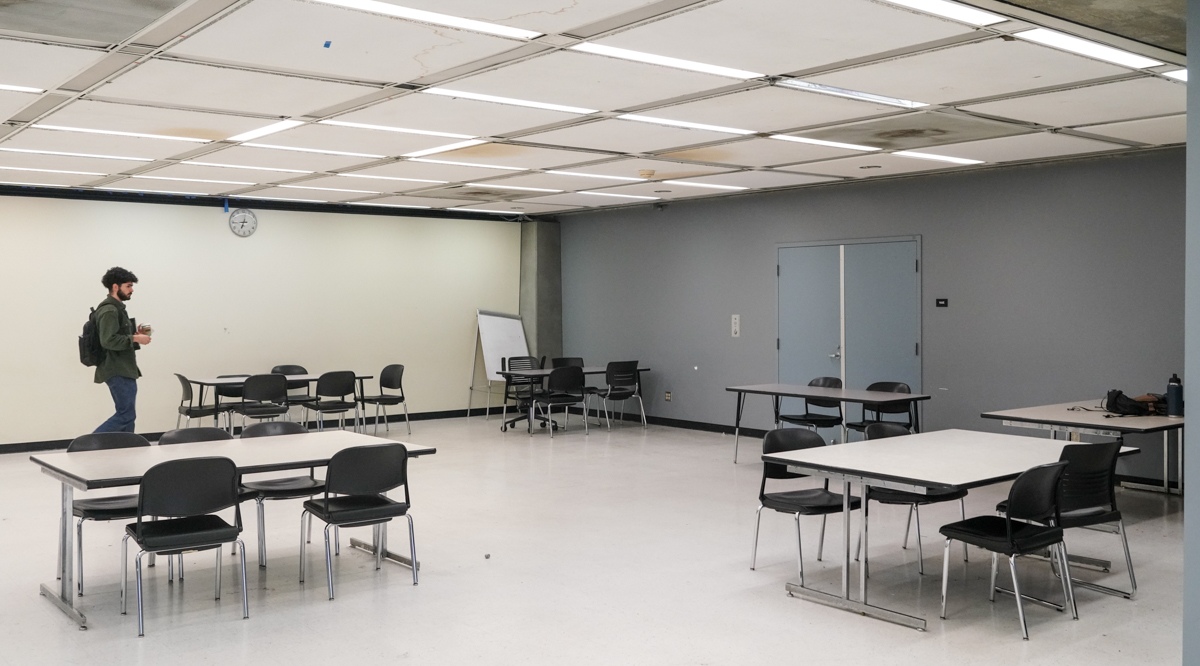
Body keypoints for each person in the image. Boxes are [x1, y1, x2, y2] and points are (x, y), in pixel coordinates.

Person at [93, 267, 151, 433]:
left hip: (124, 368)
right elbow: (108, 341)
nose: (131, 290)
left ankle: (128, 449)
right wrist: (134, 338)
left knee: (128, 416)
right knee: (126, 415)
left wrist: (136, 336)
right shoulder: (109, 310)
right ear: (115, 287)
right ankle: (89, 445)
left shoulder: (117, 309)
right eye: (128, 286)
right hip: (117, 369)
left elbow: (116, 338)